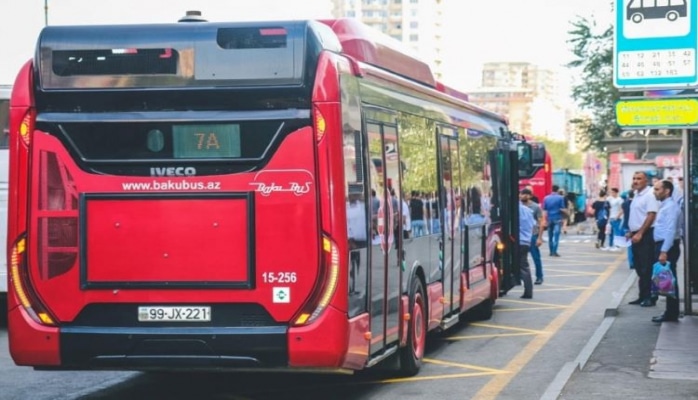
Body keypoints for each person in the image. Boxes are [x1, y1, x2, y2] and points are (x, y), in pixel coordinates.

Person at [651, 179, 681, 323]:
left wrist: (663, 251)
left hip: (667, 246)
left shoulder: (671, 207)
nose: (654, 192)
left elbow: (670, 230)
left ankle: (672, 314)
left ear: (667, 190)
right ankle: (670, 312)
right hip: (664, 245)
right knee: (666, 280)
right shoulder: (665, 206)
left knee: (669, 280)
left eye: (657, 189)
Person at [627, 171, 659, 307]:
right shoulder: (636, 195)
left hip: (646, 235)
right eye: (634, 178)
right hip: (636, 234)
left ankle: (649, 297)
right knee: (639, 267)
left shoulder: (650, 195)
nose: (635, 181)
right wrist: (631, 232)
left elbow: (651, 215)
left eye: (639, 179)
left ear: (646, 181)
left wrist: (640, 233)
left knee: (646, 268)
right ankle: (642, 296)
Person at [521, 188, 545, 284]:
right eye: (522, 194)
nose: (524, 196)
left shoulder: (535, 207)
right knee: (521, 258)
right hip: (521, 235)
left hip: (532, 235)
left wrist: (539, 238)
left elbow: (541, 222)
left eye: (526, 194)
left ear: (530, 196)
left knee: (536, 257)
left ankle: (539, 277)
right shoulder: (518, 206)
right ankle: (520, 277)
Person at [542, 184, 566, 257]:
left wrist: (544, 220)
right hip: (557, 218)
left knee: (550, 236)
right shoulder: (560, 198)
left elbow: (544, 210)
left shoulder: (546, 198)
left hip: (549, 218)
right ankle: (554, 251)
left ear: (551, 189)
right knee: (556, 235)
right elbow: (562, 208)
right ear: (558, 190)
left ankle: (550, 251)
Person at [519, 199, 535, 299]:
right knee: (524, 266)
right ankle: (528, 290)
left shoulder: (515, 210)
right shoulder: (528, 210)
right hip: (526, 241)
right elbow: (533, 225)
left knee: (522, 266)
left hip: (518, 241)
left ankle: (528, 291)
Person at [621, 190, 635, 269]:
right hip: (634, 227)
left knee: (629, 246)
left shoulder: (624, 204)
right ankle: (635, 261)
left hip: (626, 225)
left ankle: (631, 263)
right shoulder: (636, 203)